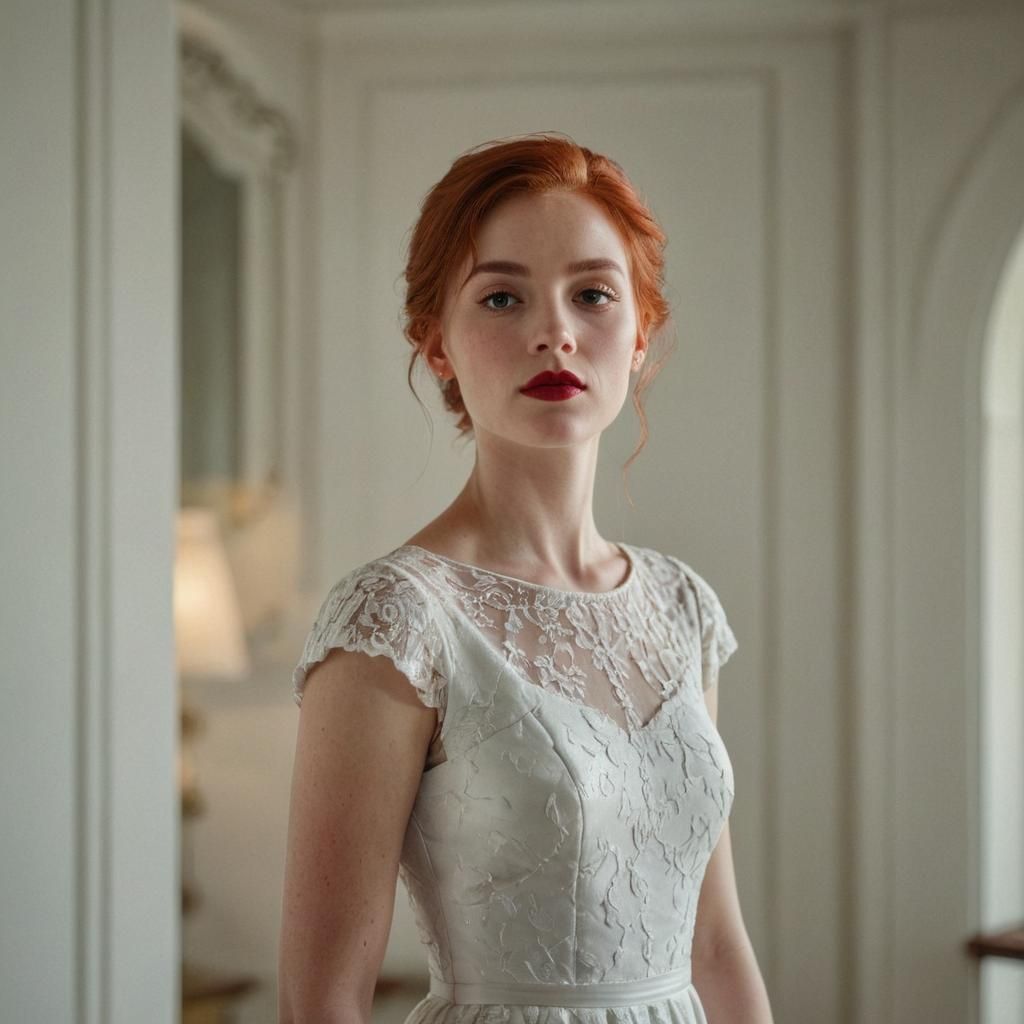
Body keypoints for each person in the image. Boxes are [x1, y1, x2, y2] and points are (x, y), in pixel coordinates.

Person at [278, 133, 773, 1024]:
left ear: (641, 336)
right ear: (437, 345)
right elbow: (324, 1000)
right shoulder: (393, 618)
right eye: (502, 297)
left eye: (593, 295)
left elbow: (715, 946)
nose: (554, 332)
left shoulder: (682, 606)